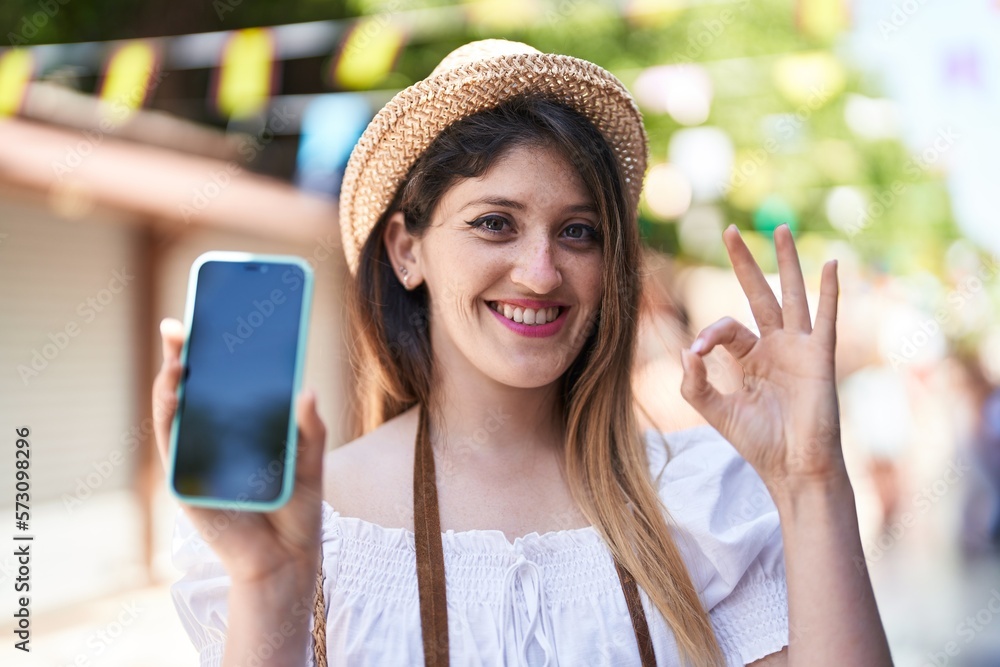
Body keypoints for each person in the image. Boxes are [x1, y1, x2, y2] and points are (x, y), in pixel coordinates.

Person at [153, 39, 893, 666]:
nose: (541, 272)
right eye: (495, 224)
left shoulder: (697, 503)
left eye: (578, 231)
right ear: (407, 249)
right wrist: (266, 581)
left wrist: (811, 481)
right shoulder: (314, 527)